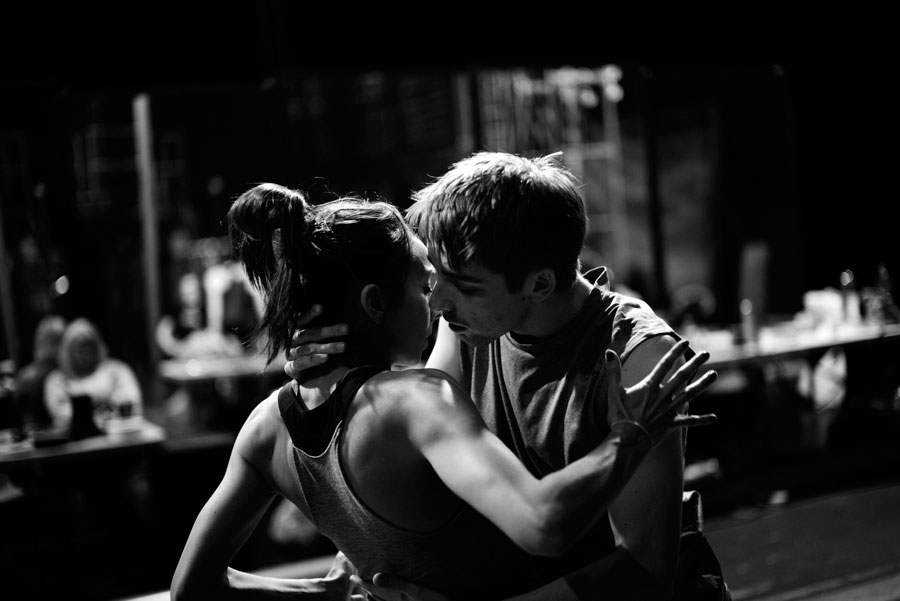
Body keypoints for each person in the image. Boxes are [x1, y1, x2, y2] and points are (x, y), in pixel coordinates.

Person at [171, 183, 717, 600]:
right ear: (375, 303)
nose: (437, 304)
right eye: (426, 282)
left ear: (538, 285)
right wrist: (628, 438)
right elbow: (408, 465)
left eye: (456, 283)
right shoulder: (435, 374)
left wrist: (324, 591)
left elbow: (644, 570)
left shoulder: (269, 422)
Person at [44, 317, 143, 432]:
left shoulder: (116, 370)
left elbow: (130, 402)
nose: (85, 355)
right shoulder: (56, 380)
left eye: (89, 348)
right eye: (79, 350)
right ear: (69, 352)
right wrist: (100, 413)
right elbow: (59, 413)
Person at [13, 314, 67, 432]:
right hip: (38, 434)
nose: (56, 346)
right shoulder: (27, 377)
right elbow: (20, 418)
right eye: (52, 339)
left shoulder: (69, 373)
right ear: (42, 340)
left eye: (60, 339)